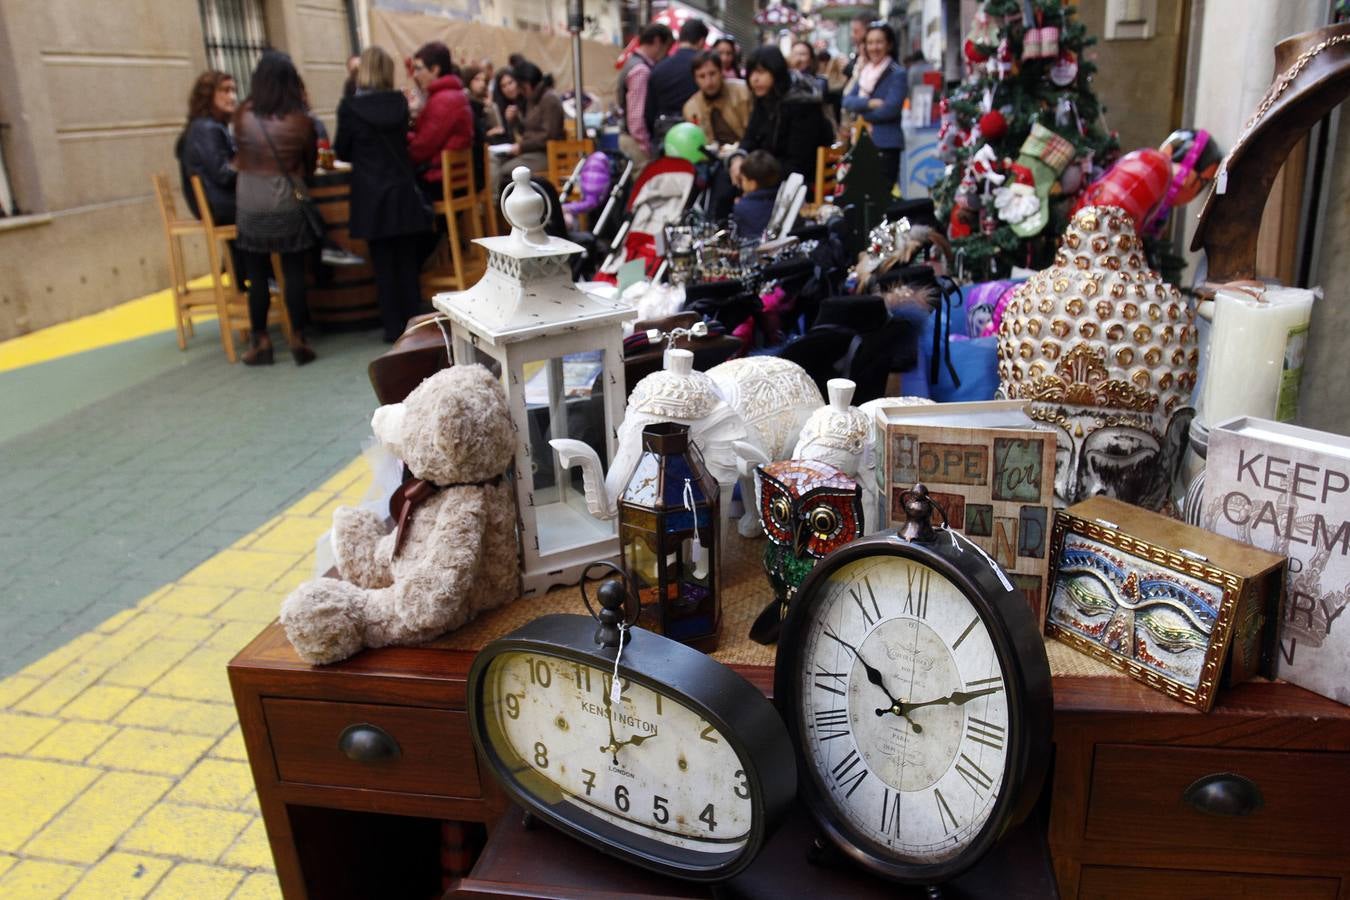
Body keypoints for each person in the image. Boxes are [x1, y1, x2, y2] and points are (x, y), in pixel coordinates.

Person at [335, 47, 435, 343]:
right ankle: (414, 324)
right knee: (407, 261)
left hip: (371, 193)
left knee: (383, 265)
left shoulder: (350, 107)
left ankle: (392, 328)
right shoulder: (399, 103)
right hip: (402, 189)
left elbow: (342, 149)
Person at [231, 51, 318, 366]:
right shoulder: (301, 121)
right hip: (285, 203)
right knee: (292, 273)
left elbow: (239, 153)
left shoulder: (242, 114)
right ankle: (298, 336)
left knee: (257, 275)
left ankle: (262, 341)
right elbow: (307, 167)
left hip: (249, 203)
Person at [733, 46, 833, 189]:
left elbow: (799, 162)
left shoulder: (803, 103)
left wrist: (755, 173)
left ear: (776, 72)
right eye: (751, 73)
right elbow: (750, 137)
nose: (754, 79)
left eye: (761, 72)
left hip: (798, 183)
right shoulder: (765, 99)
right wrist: (738, 157)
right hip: (768, 175)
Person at [406, 41, 473, 202]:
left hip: (439, 179)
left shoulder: (443, 99)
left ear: (435, 69)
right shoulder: (450, 94)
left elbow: (422, 148)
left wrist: (402, 135)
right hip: (451, 176)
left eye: (419, 68)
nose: (415, 74)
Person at [843, 22, 907, 187]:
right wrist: (869, 103)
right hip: (860, 141)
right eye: (870, 43)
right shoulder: (865, 72)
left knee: (881, 196)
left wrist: (861, 114)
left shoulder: (897, 73)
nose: (874, 47)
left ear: (889, 44)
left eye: (879, 42)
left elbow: (890, 110)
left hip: (885, 144)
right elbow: (847, 101)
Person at [176, 71, 238, 223]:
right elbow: (224, 175)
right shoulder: (207, 128)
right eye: (225, 90)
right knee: (286, 206)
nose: (232, 97)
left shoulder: (209, 126)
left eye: (234, 91)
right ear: (208, 95)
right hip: (220, 206)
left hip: (220, 203)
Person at [496, 62, 566, 190]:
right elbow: (528, 131)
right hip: (534, 152)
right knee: (501, 166)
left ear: (527, 84)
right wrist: (515, 121)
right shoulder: (533, 99)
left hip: (547, 154)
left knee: (506, 172)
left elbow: (549, 135)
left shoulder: (549, 99)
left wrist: (522, 146)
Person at [617, 23, 672, 167]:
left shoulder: (632, 62)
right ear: (658, 42)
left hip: (629, 138)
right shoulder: (641, 70)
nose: (666, 54)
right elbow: (636, 117)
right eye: (667, 48)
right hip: (636, 143)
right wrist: (646, 147)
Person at [645, 18, 709, 142]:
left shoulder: (658, 69)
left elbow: (649, 114)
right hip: (695, 136)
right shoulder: (704, 69)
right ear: (701, 42)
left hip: (664, 138)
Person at [682, 51, 751, 148]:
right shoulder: (690, 108)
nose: (708, 82)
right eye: (702, 76)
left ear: (721, 72)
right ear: (695, 79)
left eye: (712, 73)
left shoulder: (743, 92)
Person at [731, 150, 781, 240]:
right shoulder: (780, 200)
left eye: (743, 179)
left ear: (752, 184)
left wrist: (741, 202)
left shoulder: (742, 207)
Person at [461, 64, 496, 190]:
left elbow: (497, 126)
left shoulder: (483, 104)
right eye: (477, 79)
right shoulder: (468, 104)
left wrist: (490, 108)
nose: (482, 84)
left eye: (484, 80)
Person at [490, 69, 523, 144]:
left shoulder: (528, 100)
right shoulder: (503, 106)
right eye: (503, 86)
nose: (508, 88)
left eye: (510, 83)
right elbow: (510, 138)